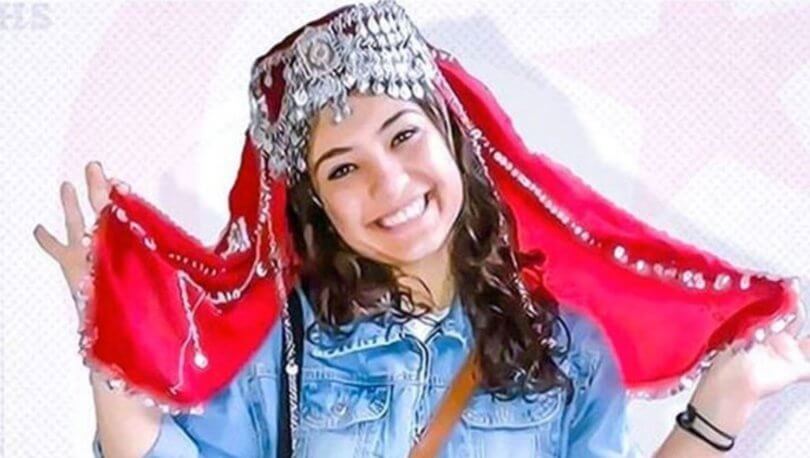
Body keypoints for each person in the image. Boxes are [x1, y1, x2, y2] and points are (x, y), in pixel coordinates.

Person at [33, 1, 810, 456]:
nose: (390, 185)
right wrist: (112, 328)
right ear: (316, 204)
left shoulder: (566, 347)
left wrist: (727, 400)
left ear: (455, 138)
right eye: (343, 168)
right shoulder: (280, 346)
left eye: (404, 136)